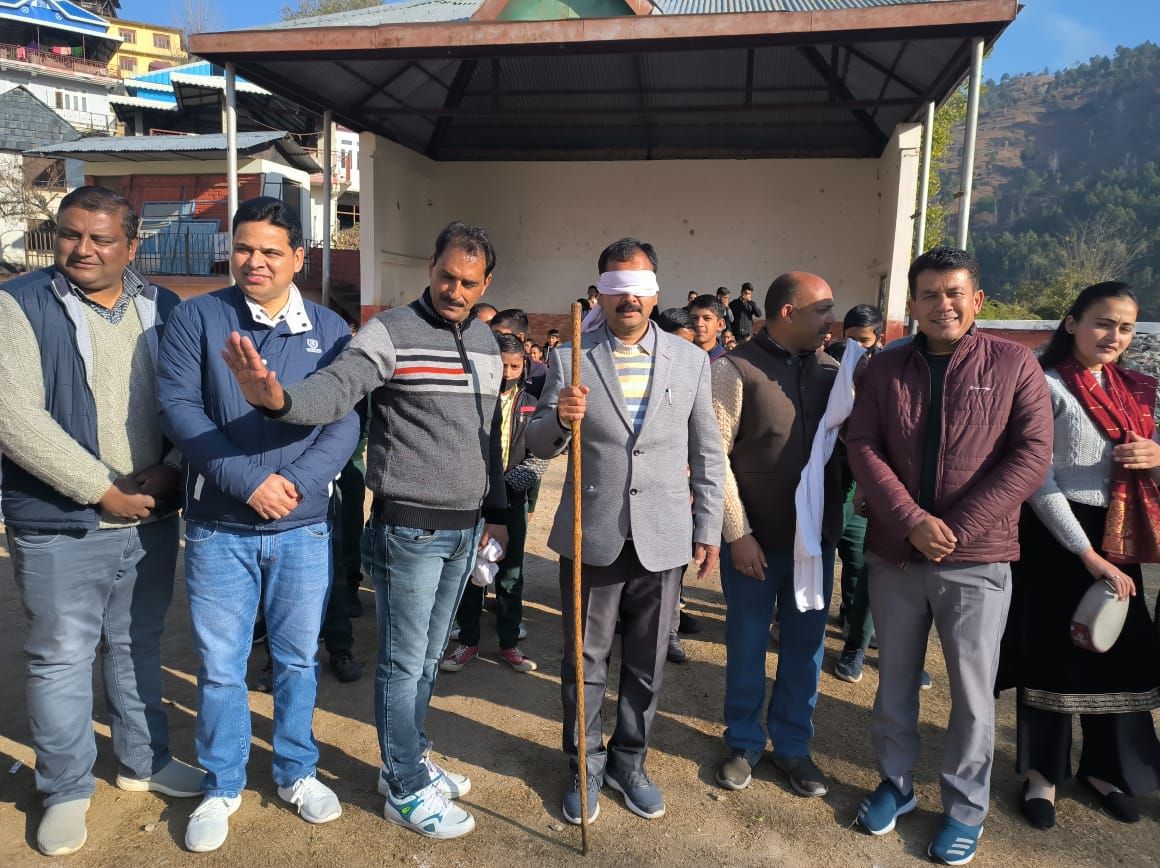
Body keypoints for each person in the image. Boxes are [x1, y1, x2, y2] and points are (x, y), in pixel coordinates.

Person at [222, 221, 508, 841]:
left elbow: (488, 437)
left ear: (486, 284)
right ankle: (404, 787)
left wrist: (498, 512)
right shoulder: (391, 332)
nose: (455, 291)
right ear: (430, 265)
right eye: (446, 277)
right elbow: (338, 388)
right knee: (403, 665)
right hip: (410, 530)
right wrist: (279, 400)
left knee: (429, 660)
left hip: (465, 530)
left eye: (468, 282)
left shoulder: (487, 340)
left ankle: (408, 758)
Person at [0, 185, 204, 857]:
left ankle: (145, 761)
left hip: (149, 515)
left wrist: (173, 466)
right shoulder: (17, 305)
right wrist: (100, 490)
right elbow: (13, 417)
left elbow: (192, 401)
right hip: (60, 521)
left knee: (137, 644)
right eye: (69, 234)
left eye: (100, 238)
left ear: (131, 245)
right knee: (60, 657)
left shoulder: (165, 308)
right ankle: (64, 788)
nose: (82, 249)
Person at [157, 197, 359, 853]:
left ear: (299, 257)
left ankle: (297, 770)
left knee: (298, 659)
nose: (255, 261)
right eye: (244, 248)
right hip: (219, 527)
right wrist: (248, 482)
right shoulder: (197, 318)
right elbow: (180, 409)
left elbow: (345, 421)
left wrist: (294, 484)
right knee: (222, 666)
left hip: (302, 526)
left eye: (272, 250)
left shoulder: (329, 329)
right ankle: (222, 784)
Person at [846, 246, 1052, 866]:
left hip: (977, 557)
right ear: (913, 303)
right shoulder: (884, 367)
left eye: (955, 292)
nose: (943, 305)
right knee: (895, 680)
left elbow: (1031, 457)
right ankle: (896, 784)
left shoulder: (1015, 364)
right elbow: (863, 445)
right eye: (930, 294)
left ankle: (965, 808)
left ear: (977, 300)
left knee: (971, 692)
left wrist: (954, 528)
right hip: (896, 554)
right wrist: (910, 521)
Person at [527, 237, 725, 826]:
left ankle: (628, 762)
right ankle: (584, 764)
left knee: (646, 663)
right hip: (592, 534)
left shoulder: (689, 360)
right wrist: (559, 420)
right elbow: (536, 441)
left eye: (639, 287)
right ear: (600, 295)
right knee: (584, 660)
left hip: (663, 536)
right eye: (617, 288)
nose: (629, 299)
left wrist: (708, 525)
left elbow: (707, 450)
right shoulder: (571, 357)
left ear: (655, 293)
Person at [997, 281, 1160, 830]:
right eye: (1103, 322)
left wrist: (1155, 456)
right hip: (1057, 538)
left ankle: (1108, 770)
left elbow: (1148, 468)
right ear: (1072, 323)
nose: (1114, 336)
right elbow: (1036, 478)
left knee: (1116, 651)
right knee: (1052, 654)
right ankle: (1042, 775)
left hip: (1120, 534)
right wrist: (1085, 553)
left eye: (1125, 327)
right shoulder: (1044, 385)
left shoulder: (1135, 390)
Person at [711, 272, 839, 798]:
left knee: (806, 648)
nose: (831, 321)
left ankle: (792, 745)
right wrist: (736, 532)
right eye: (822, 310)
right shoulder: (734, 369)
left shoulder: (833, 372)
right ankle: (743, 742)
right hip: (754, 541)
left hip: (815, 543)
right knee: (746, 643)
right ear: (788, 312)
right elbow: (713, 457)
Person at [442, 333, 548, 674]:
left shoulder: (531, 404)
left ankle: (509, 643)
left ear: (524, 367)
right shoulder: (470, 401)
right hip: (472, 501)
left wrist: (509, 486)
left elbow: (539, 456)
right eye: (502, 365)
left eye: (515, 366)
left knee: (510, 575)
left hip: (512, 502)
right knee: (471, 574)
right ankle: (468, 640)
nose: (508, 373)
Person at [828, 304, 885, 684]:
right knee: (815, 556)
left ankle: (854, 631)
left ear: (878, 338)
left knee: (859, 563)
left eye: (864, 342)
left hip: (864, 489)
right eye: (851, 340)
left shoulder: (887, 375)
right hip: (830, 483)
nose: (857, 349)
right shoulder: (829, 368)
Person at [491, 307, 548, 397]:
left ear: (520, 337)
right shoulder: (487, 365)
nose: (507, 373)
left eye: (499, 335)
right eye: (492, 335)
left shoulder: (540, 372)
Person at [689, 294, 729, 362]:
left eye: (707, 318)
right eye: (694, 318)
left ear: (720, 325)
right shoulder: (679, 358)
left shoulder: (728, 363)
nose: (699, 324)